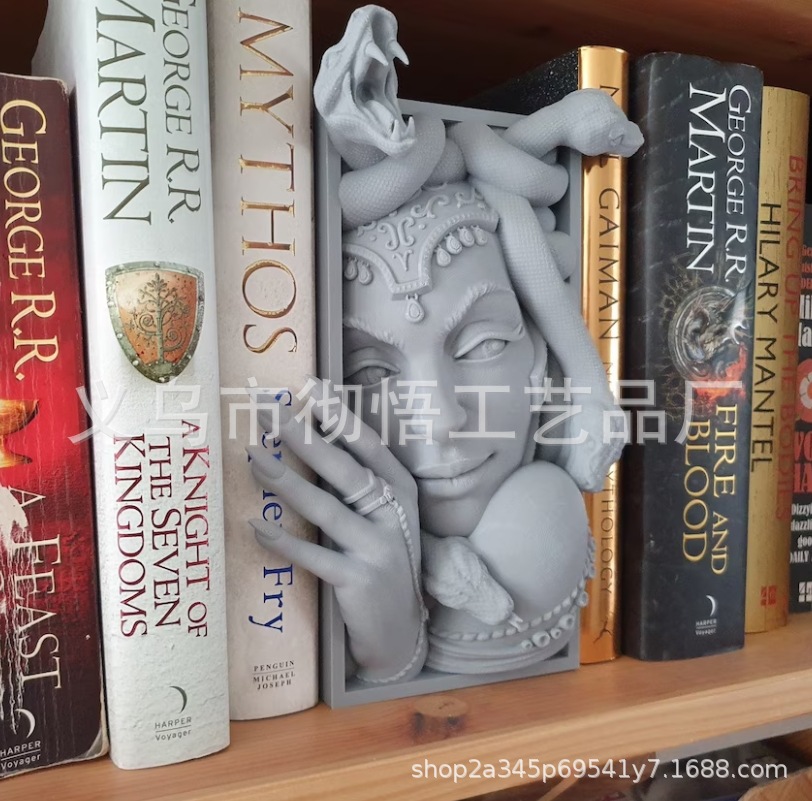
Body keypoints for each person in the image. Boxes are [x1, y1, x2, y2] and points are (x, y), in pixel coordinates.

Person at [247, 5, 643, 685]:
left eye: (481, 345)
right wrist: (393, 639)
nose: (442, 418)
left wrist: (593, 390)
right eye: (372, 372)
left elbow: (549, 299)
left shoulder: (510, 220)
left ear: (538, 360)